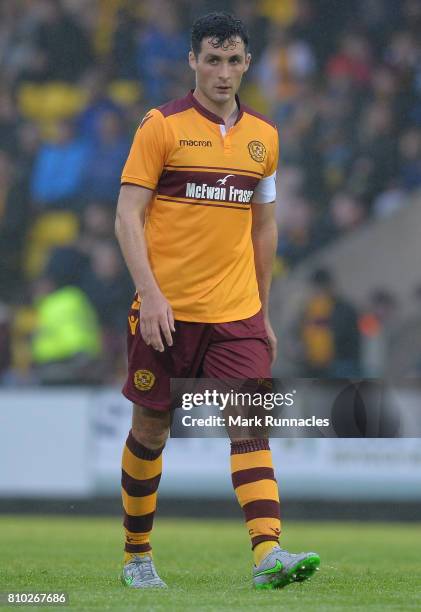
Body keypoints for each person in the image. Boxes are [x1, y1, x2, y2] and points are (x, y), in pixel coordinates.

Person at [115, 12, 320, 591]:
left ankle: (268, 555)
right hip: (166, 314)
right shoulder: (161, 127)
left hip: (237, 315)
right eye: (212, 59)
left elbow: (265, 230)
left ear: (248, 63)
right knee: (152, 429)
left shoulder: (265, 138)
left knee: (248, 425)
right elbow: (128, 214)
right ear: (192, 61)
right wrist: (150, 294)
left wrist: (264, 310)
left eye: (233, 61)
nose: (223, 72)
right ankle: (136, 554)